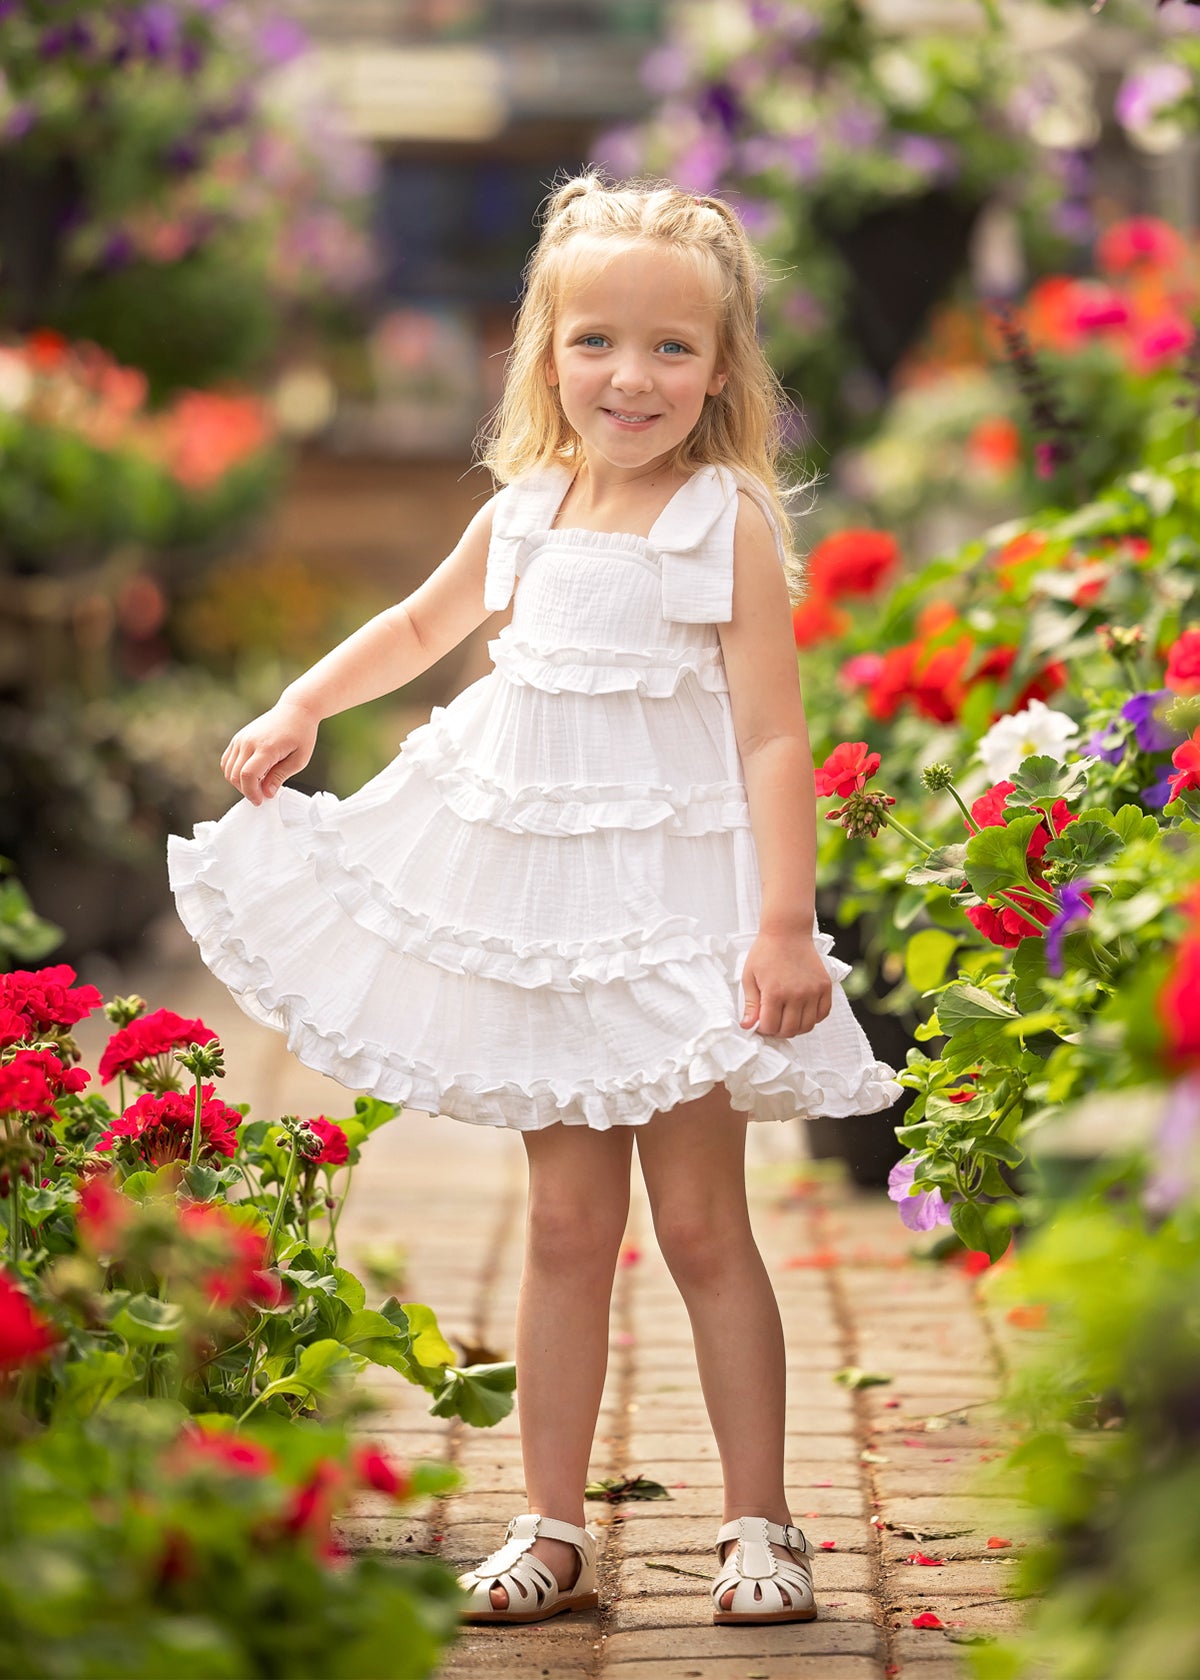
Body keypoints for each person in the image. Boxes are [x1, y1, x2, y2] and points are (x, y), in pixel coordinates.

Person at [167, 170, 901, 1628]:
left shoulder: (722, 522)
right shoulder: (531, 504)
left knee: (701, 1225)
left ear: (724, 367)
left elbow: (770, 729)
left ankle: (762, 1520)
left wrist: (778, 922)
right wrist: (308, 702)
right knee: (567, 1226)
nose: (631, 376)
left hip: (680, 915)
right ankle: (550, 1523)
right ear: (543, 350)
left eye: (673, 348)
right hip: (552, 918)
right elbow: (427, 621)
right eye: (596, 341)